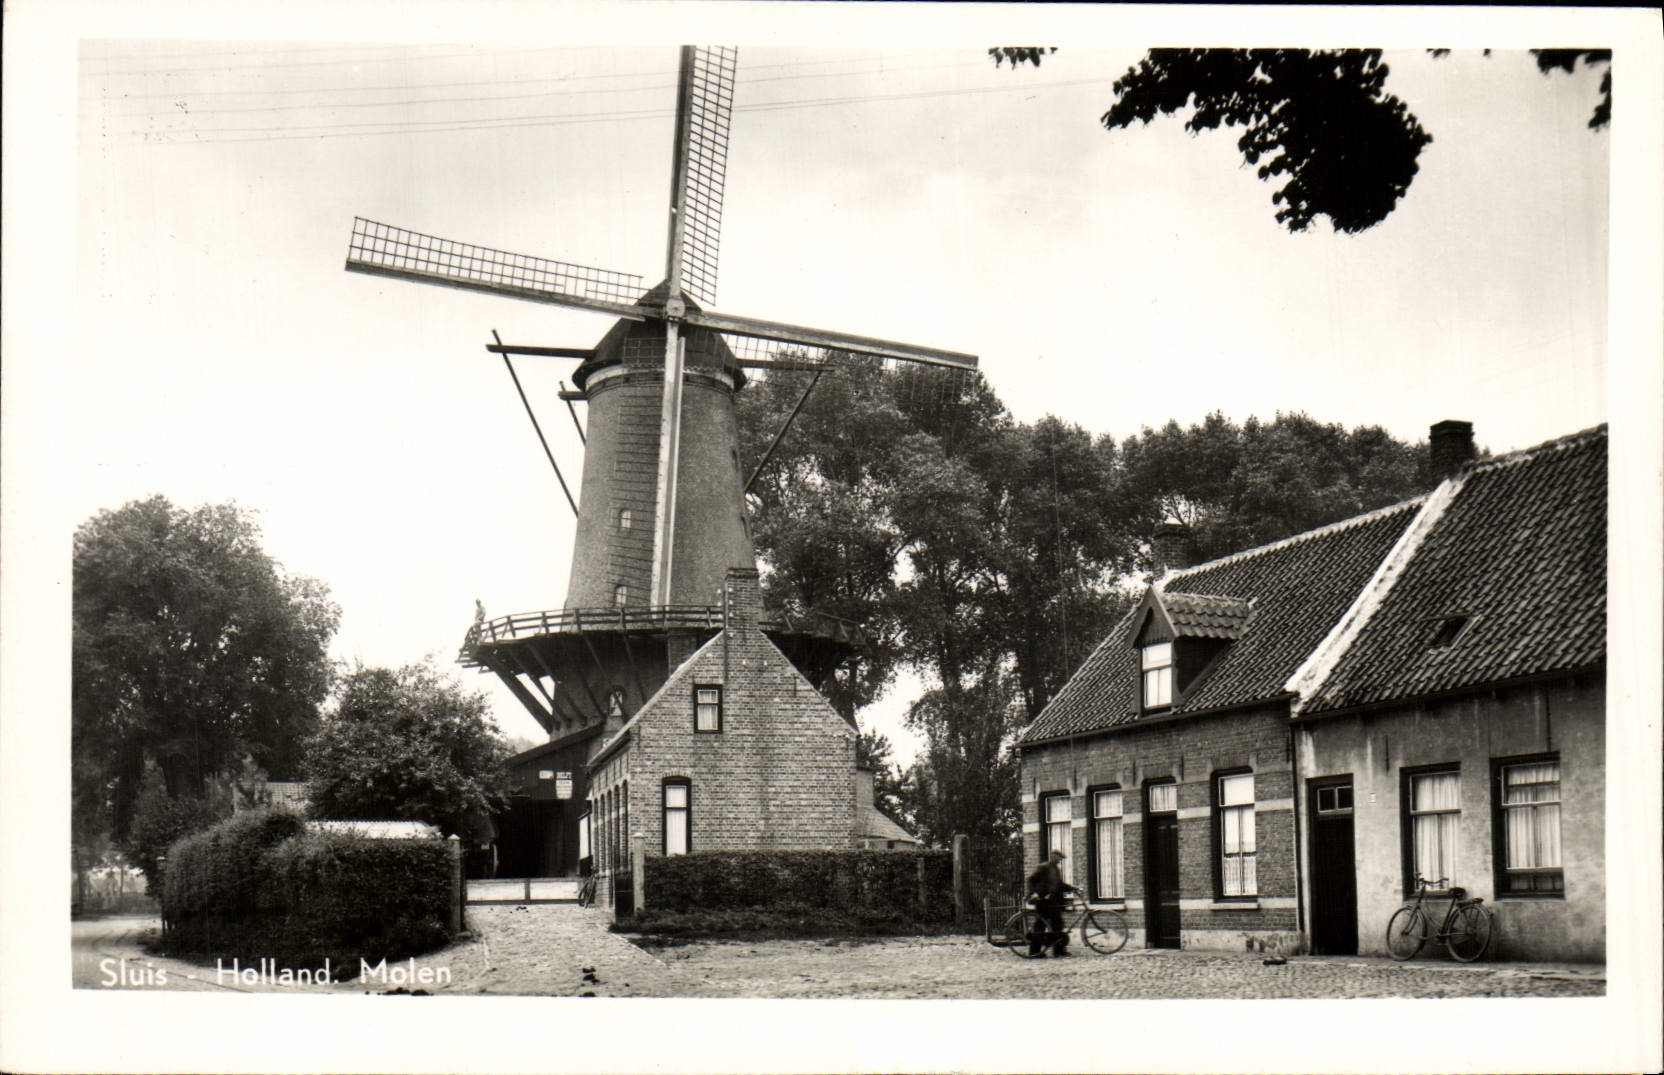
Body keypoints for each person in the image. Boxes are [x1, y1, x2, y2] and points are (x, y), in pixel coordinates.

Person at [1026, 848, 1078, 956]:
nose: (1060, 860)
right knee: (1040, 926)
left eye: (1061, 859)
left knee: (1057, 925)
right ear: (1053, 856)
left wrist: (1072, 888)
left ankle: (1059, 951)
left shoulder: (1056, 870)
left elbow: (1059, 885)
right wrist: (1035, 893)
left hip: (1054, 901)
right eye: (1059, 858)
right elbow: (1031, 880)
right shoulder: (1043, 867)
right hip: (1043, 901)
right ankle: (1034, 952)